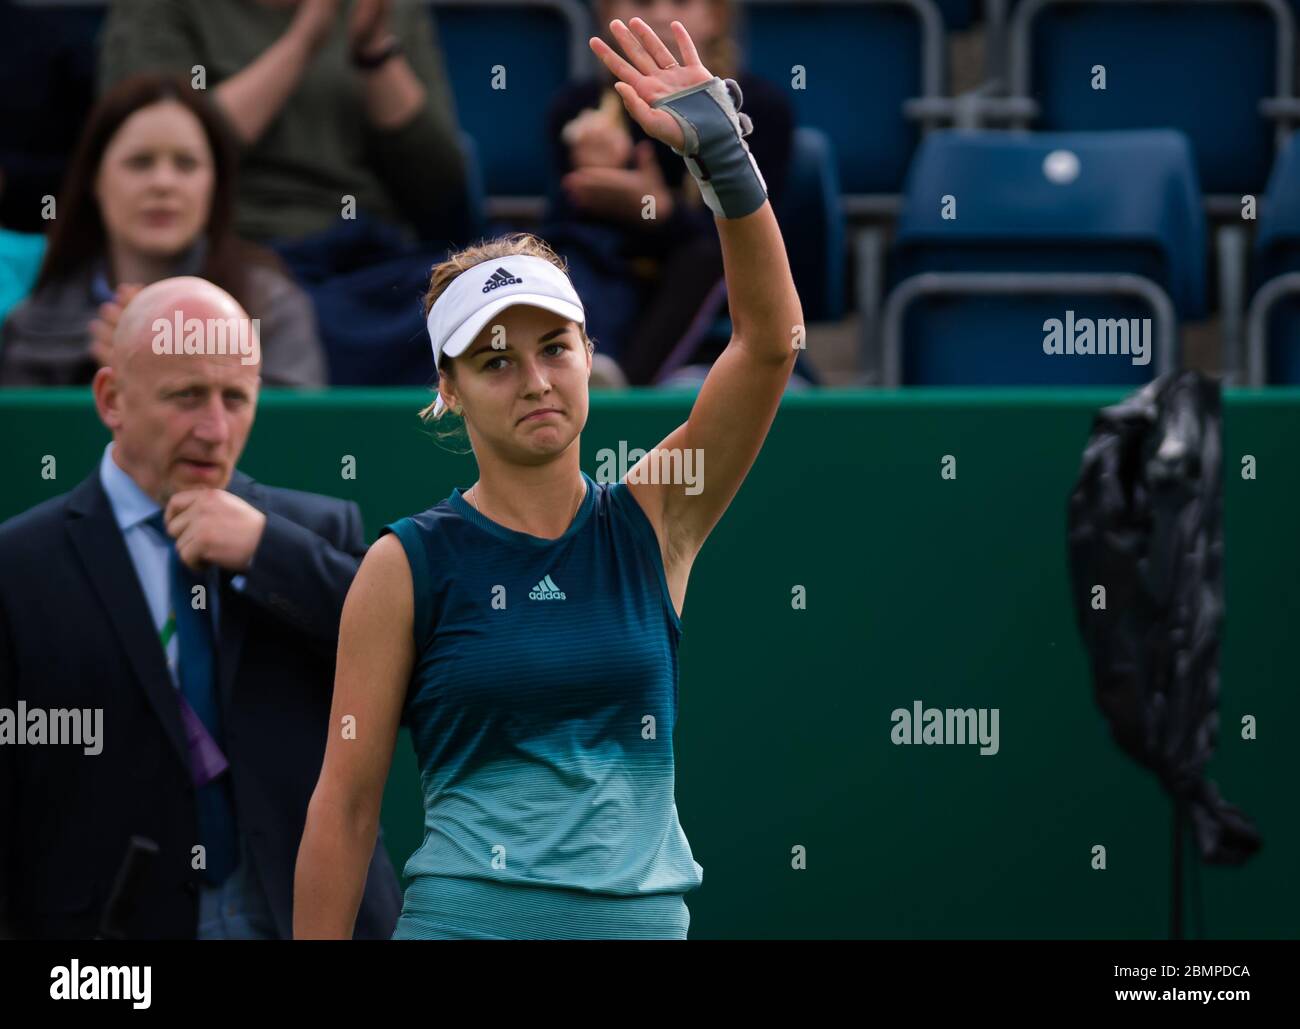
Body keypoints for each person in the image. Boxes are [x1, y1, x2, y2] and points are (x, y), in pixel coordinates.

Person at [293, 16, 802, 939]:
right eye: (493, 361)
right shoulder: (403, 565)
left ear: (587, 351)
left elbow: (769, 347)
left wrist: (724, 160)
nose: (533, 379)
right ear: (447, 392)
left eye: (553, 348)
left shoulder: (654, 516)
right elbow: (344, 807)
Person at [0, 277, 400, 939]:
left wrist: (267, 554)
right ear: (111, 399)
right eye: (186, 396)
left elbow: (407, 674)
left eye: (235, 398)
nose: (214, 429)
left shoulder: (315, 532)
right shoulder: (19, 566)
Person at [0, 73, 325, 387]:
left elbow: (295, 437)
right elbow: (27, 438)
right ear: (95, 180)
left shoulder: (269, 306)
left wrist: (173, 371)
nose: (163, 183)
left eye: (186, 164)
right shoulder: (34, 319)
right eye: (140, 162)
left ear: (214, 184)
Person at [543, 0, 793, 384]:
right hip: (613, 277)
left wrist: (662, 212)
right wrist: (595, 178)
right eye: (641, 2)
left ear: (716, 16)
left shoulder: (759, 108)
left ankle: (625, 389)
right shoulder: (578, 109)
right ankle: (586, 366)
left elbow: (756, 237)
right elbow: (561, 229)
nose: (659, 14)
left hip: (705, 284)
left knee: (704, 258)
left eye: (680, 2)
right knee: (575, 253)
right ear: (606, 13)